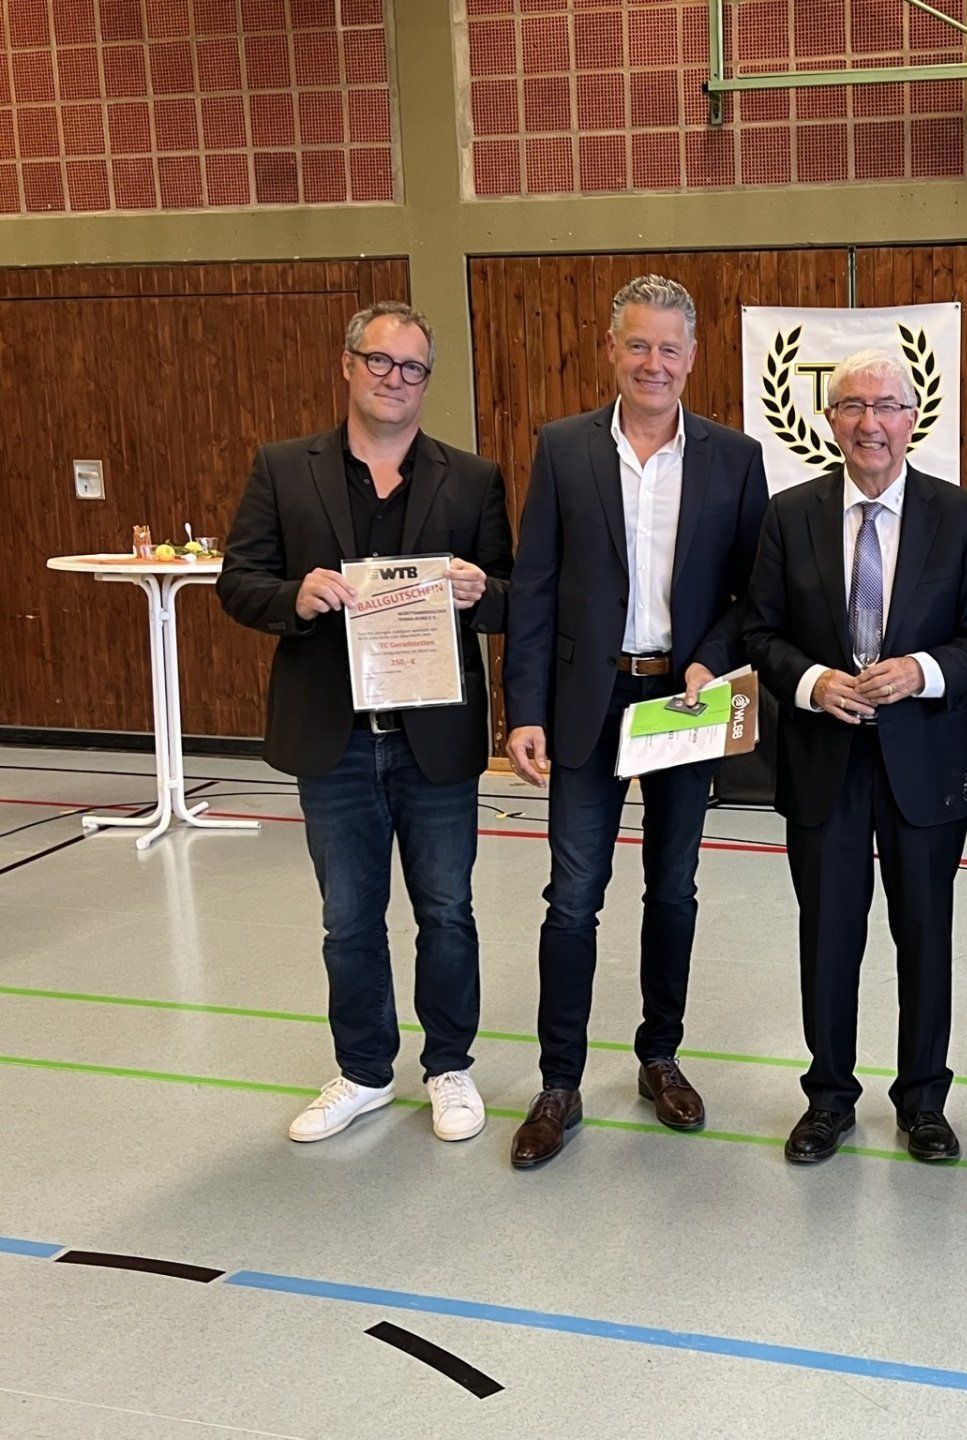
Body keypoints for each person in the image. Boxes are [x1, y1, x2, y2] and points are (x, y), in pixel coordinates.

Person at [217, 301, 511, 1146]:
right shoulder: (284, 468)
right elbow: (239, 582)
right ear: (347, 364)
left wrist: (480, 593)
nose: (394, 378)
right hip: (334, 738)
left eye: (412, 367)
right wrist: (296, 596)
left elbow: (513, 595)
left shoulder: (472, 478)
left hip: (435, 739)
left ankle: (448, 1065)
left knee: (447, 911)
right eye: (379, 360)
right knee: (348, 920)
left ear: (427, 381)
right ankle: (364, 1071)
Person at [502, 275, 769, 1169]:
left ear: (693, 358)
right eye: (639, 345)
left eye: (670, 348)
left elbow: (752, 592)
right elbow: (535, 586)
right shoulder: (562, 449)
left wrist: (711, 657)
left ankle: (661, 1055)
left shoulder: (734, 458)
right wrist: (524, 710)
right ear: (611, 349)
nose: (654, 363)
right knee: (573, 896)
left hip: (682, 701)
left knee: (673, 888)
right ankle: (559, 1081)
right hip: (589, 700)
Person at [742, 348, 967, 1166]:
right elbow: (758, 631)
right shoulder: (789, 515)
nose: (870, 424)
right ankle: (828, 1099)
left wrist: (921, 671)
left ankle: (924, 1100)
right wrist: (813, 681)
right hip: (824, 760)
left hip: (923, 762)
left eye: (886, 406)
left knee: (924, 934)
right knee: (828, 936)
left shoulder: (958, 514)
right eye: (853, 407)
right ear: (830, 421)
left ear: (912, 419)